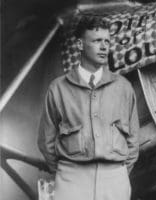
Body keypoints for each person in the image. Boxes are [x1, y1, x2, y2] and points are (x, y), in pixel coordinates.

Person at [38, 15, 139, 200]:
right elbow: (46, 142)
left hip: (115, 181)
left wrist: (118, 173)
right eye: (97, 40)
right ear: (80, 44)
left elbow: (133, 141)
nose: (104, 46)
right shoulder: (58, 89)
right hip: (71, 181)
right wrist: (66, 173)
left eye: (107, 41)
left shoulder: (123, 87)